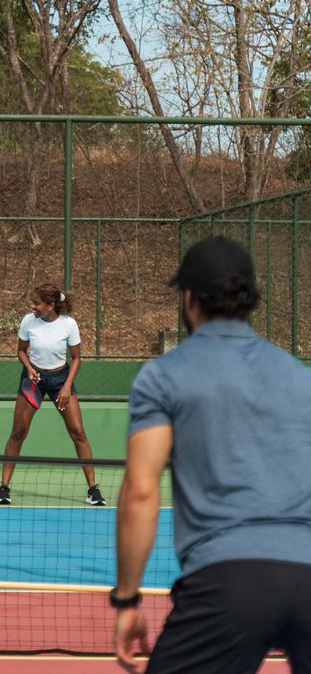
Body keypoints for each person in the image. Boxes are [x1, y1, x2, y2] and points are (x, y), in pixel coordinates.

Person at [113, 236, 311, 673]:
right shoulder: (301, 378)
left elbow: (142, 491)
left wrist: (127, 598)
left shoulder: (163, 376)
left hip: (228, 582)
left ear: (188, 299)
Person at [0, 284, 105, 507]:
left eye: (36, 303)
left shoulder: (68, 324)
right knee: (18, 432)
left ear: (51, 305)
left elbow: (76, 359)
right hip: (33, 380)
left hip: (60, 381)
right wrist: (29, 368)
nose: (32, 306)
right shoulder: (28, 321)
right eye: (32, 302)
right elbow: (21, 351)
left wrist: (66, 387)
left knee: (78, 432)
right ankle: (4, 488)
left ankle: (93, 490)